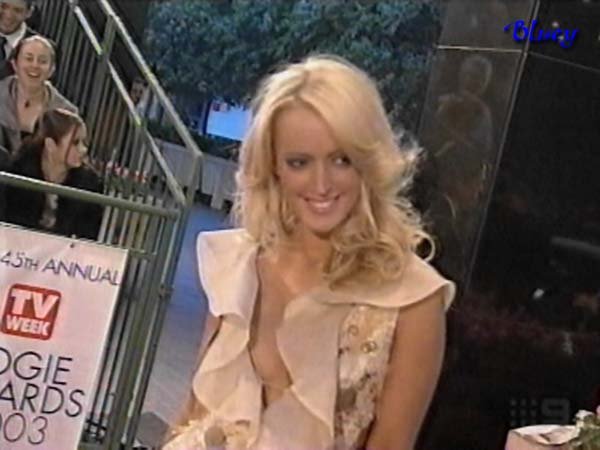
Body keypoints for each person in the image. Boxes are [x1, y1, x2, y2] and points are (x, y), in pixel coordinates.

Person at [163, 55, 456, 450]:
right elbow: (194, 411)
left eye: (341, 160)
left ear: (368, 161)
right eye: (299, 162)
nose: (321, 184)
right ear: (274, 167)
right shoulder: (238, 263)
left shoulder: (414, 300)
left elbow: (390, 443)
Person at [2, 108, 102, 239]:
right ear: (50, 145)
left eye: (83, 142)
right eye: (75, 143)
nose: (83, 149)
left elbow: (87, 237)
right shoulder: (17, 174)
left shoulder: (89, 185)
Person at [0, 35, 76, 157]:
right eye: (29, 58)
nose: (35, 65)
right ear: (15, 64)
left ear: (52, 70)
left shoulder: (66, 112)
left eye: (42, 61)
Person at [0, 0, 36, 80]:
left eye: (17, 10)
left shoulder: (43, 49)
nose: (9, 16)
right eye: (3, 6)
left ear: (29, 12)